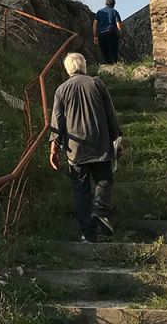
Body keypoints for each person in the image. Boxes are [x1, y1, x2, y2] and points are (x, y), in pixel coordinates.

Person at [48, 52, 122, 242]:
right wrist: (117, 138)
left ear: (68, 69)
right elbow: (110, 113)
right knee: (104, 181)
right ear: (83, 66)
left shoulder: (62, 90)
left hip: (76, 148)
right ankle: (99, 211)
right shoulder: (97, 83)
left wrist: (54, 148)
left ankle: (88, 233)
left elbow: (57, 121)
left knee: (81, 190)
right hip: (100, 143)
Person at [94, 0, 122, 65]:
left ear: (105, 4)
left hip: (101, 34)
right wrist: (120, 33)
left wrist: (95, 35)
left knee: (104, 52)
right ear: (113, 5)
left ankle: (108, 66)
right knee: (113, 51)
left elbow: (95, 24)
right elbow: (118, 24)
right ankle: (114, 66)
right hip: (112, 33)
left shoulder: (99, 12)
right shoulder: (114, 12)